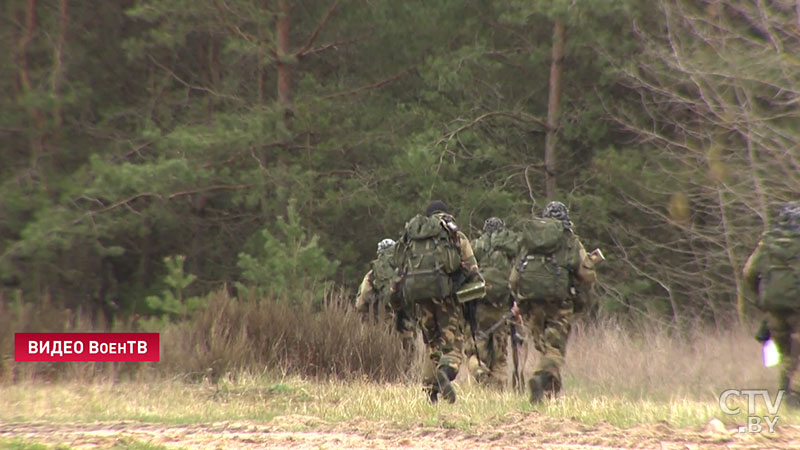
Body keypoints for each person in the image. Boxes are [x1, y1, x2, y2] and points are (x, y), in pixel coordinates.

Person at [394, 200, 482, 403]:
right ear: (445, 214)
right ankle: (445, 372)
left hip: (421, 300)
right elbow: (472, 270)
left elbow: (400, 268)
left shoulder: (415, 238)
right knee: (451, 346)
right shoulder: (454, 236)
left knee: (431, 344)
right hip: (447, 299)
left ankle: (430, 391)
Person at [509, 201, 597, 403]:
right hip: (559, 304)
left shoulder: (530, 240)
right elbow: (587, 275)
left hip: (530, 303)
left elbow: (514, 279)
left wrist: (519, 300)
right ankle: (540, 378)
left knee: (544, 347)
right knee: (554, 350)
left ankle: (550, 395)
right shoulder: (569, 240)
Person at [741, 202, 800, 407]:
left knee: (785, 354)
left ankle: (786, 396)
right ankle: (795, 398)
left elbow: (748, 272)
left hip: (773, 309)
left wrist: (760, 296)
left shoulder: (768, 242)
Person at [465, 217, 522, 390]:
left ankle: (479, 372)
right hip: (503, 305)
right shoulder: (511, 248)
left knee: (476, 350)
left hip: (480, 305)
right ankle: (498, 392)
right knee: (500, 355)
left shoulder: (476, 246)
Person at [354, 238, 417, 353]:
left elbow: (360, 304)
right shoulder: (406, 268)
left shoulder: (373, 274)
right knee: (409, 352)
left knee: (383, 354)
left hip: (382, 322)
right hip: (406, 320)